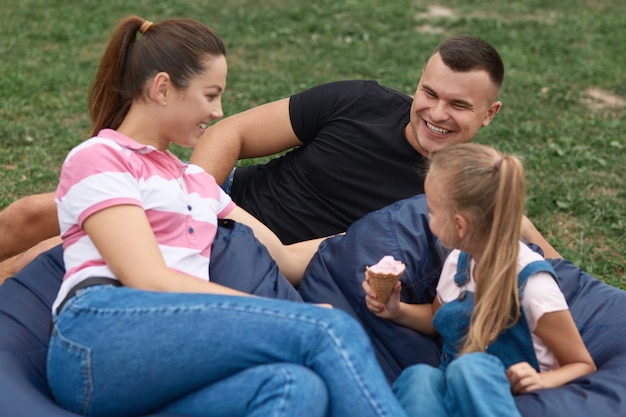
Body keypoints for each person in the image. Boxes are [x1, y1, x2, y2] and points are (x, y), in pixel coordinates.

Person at [47, 15, 407, 417]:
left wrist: (375, 236)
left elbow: (284, 258)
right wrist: (291, 316)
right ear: (163, 88)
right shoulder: (100, 158)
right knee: (329, 328)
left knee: (293, 388)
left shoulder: (197, 183)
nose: (218, 111)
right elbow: (146, 278)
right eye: (210, 95)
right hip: (98, 335)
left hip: (169, 344)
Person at [0, 34, 504, 278]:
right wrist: (193, 193)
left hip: (256, 259)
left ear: (489, 114)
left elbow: (524, 243)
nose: (436, 113)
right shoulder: (361, 101)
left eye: (459, 105)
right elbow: (234, 132)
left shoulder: (472, 184)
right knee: (30, 214)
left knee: (52, 258)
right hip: (218, 196)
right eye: (429, 93)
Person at [362, 143, 595, 416]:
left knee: (469, 367)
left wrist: (541, 380)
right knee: (419, 379)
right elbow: (436, 317)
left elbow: (582, 364)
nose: (427, 218)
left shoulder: (532, 284)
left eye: (433, 211)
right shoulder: (458, 263)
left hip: (510, 399)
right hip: (455, 390)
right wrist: (396, 310)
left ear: (460, 225)